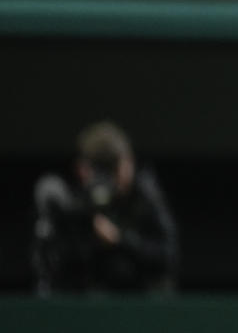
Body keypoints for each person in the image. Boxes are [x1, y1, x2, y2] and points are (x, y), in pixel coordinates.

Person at [33, 121, 179, 293]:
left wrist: (119, 240)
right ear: (82, 169)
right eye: (98, 169)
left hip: (141, 301)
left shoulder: (145, 195)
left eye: (112, 167)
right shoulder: (79, 202)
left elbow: (167, 256)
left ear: (127, 163)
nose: (106, 180)